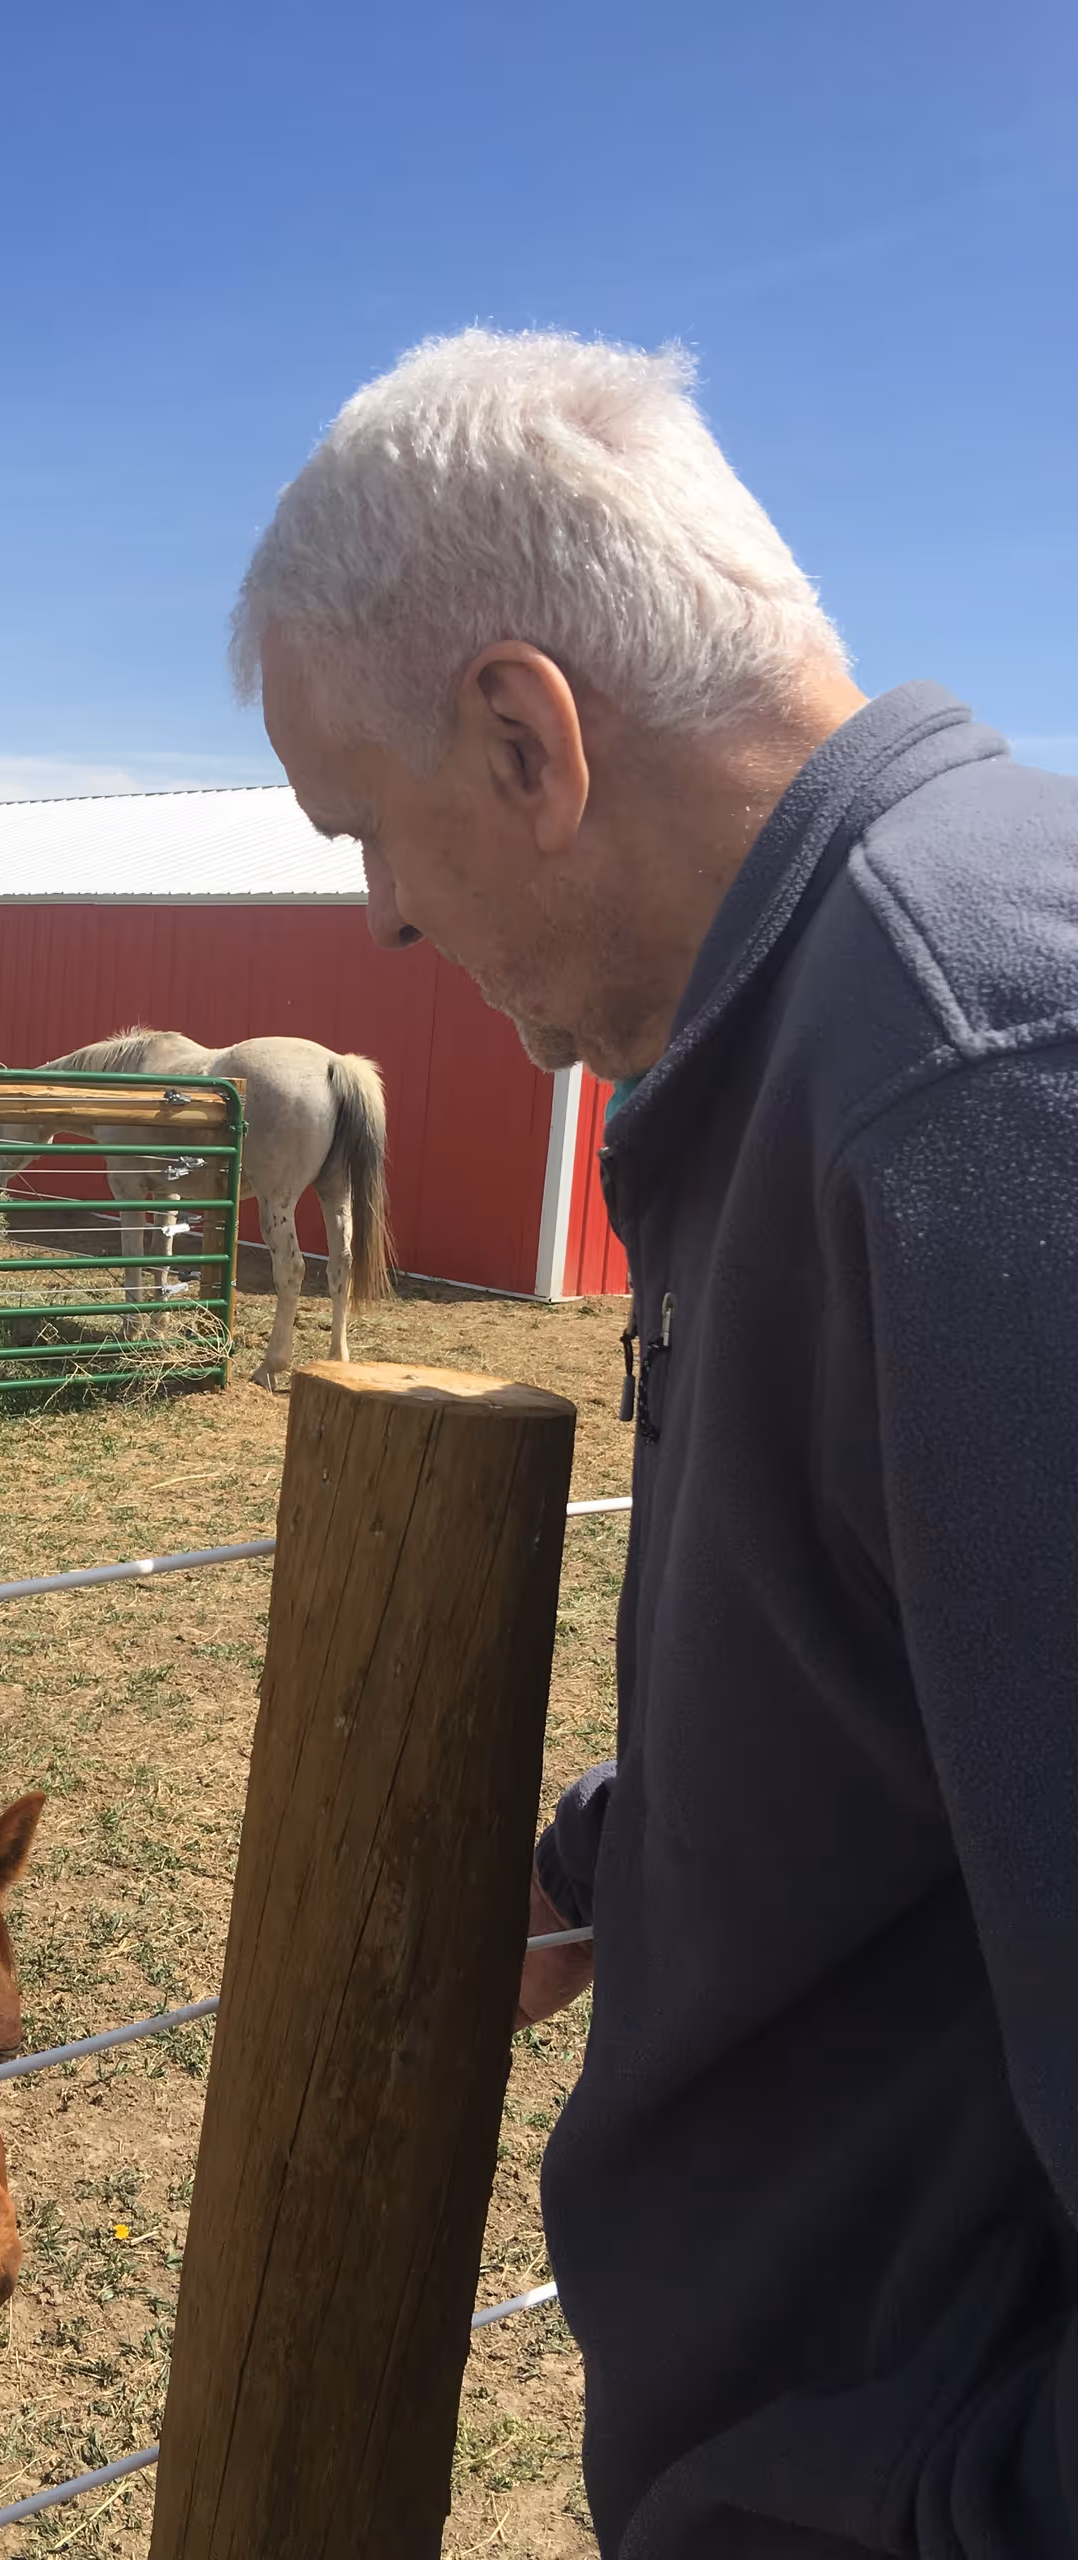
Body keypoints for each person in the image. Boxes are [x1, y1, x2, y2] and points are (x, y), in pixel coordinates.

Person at [234, 329, 1078, 2558]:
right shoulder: (834, 1042)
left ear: (526, 738)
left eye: (368, 833)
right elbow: (914, 1666)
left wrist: (880, 2505)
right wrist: (623, 1848)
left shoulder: (975, 1090)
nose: (384, 924)